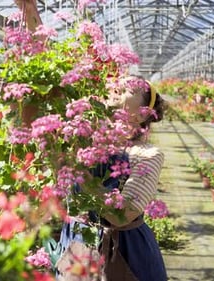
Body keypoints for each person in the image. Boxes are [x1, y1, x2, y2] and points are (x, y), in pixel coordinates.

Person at [55, 76, 168, 281]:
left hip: (122, 253)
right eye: (115, 84)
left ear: (142, 114)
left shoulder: (146, 154)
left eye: (127, 88)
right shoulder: (82, 142)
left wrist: (84, 178)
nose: (115, 89)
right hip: (76, 242)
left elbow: (122, 215)